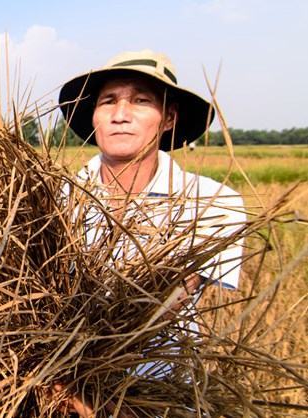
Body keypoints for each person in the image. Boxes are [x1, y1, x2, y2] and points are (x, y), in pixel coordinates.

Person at [53, 50, 247, 417]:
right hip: (56, 395)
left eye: (140, 100)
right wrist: (60, 388)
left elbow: (169, 299)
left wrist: (96, 396)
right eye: (108, 100)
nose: (120, 114)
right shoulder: (54, 199)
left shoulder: (213, 202)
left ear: (169, 117)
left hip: (161, 397)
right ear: (93, 117)